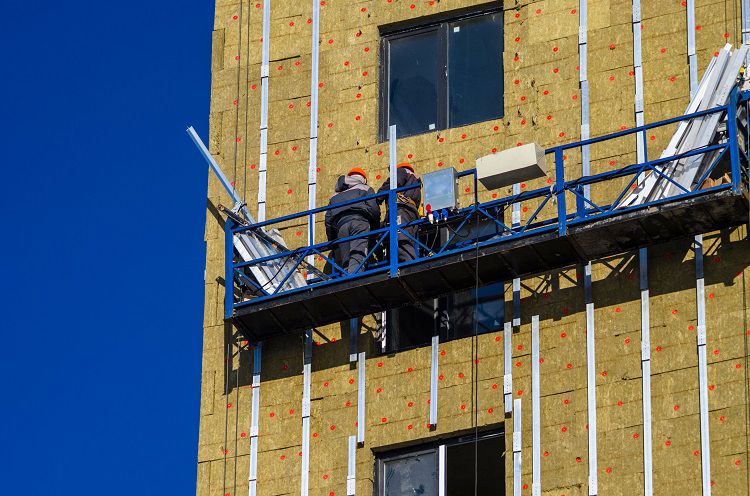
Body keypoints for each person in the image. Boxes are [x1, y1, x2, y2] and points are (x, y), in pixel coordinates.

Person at [324, 168, 381, 274]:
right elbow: (374, 209)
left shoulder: (334, 196)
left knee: (346, 260)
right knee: (358, 255)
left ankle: (347, 279)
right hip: (359, 222)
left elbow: (328, 220)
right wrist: (375, 229)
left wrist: (332, 241)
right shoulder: (365, 188)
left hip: (341, 228)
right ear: (363, 178)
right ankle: (355, 280)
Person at [377, 162, 422, 262]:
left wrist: (378, 197)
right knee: (407, 241)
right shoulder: (416, 181)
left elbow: (393, 183)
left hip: (400, 210)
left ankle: (411, 266)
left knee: (400, 241)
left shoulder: (401, 171)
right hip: (411, 213)